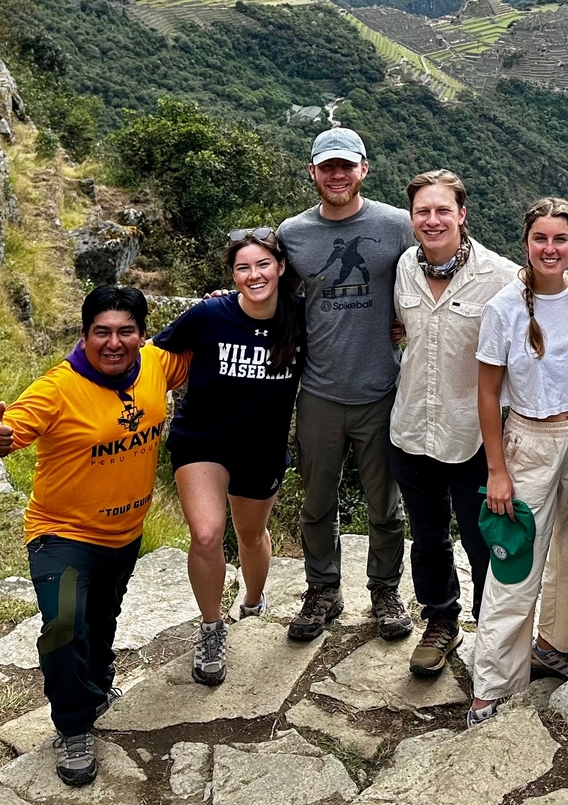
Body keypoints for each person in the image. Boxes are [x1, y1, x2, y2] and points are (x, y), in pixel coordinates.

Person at [0, 285, 191, 789]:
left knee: (101, 620)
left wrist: (230, 301)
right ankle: (73, 728)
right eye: (101, 332)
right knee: (65, 625)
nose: (114, 343)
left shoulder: (157, 364)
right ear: (85, 335)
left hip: (125, 535)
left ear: (142, 335)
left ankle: (97, 689)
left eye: (126, 331)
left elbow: (208, 344)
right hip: (62, 535)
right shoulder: (58, 388)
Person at [466, 197, 568, 726]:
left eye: (560, 239)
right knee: (516, 561)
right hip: (529, 441)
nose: (550, 248)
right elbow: (487, 394)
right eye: (540, 239)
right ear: (525, 243)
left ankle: (556, 644)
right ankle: (493, 685)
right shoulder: (504, 307)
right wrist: (496, 470)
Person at [275, 126, 414, 643]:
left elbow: (441, 267)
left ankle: (385, 591)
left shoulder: (396, 225)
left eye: (346, 166)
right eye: (328, 167)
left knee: (386, 505)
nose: (337, 175)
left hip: (382, 388)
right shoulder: (293, 233)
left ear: (364, 170)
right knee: (316, 503)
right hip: (320, 391)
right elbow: (273, 290)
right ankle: (322, 590)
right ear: (313, 172)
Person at [155, 228, 305, 688]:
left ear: (281, 268)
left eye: (263, 265)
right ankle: (211, 627)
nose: (254, 275)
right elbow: (153, 354)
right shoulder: (209, 314)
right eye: (243, 268)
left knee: (251, 534)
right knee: (206, 534)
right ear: (232, 275)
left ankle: (253, 602)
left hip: (261, 448)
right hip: (202, 441)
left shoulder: (301, 317)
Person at [388, 170, 517, 676]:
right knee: (427, 538)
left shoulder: (500, 277)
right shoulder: (405, 268)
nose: (433, 220)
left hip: (472, 435)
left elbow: (549, 304)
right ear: (412, 219)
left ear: (462, 214)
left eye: (443, 210)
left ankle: (492, 631)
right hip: (411, 427)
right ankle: (441, 620)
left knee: (483, 539)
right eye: (423, 211)